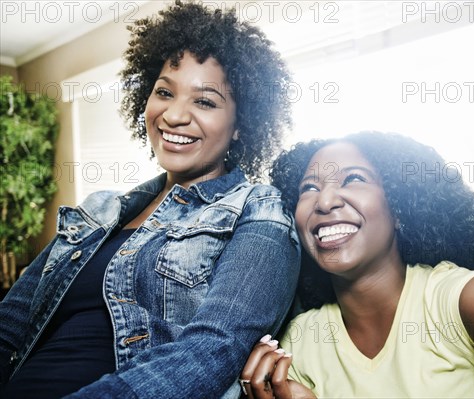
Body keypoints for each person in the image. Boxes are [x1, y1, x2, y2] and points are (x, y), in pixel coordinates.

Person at [0, 1, 300, 398]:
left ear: (242, 125)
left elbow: (212, 350)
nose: (174, 116)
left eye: (205, 101)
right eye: (164, 92)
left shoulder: (259, 210)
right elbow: (10, 324)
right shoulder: (99, 210)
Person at [240, 131, 474, 398]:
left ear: (400, 208)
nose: (326, 200)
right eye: (309, 188)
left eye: (353, 179)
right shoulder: (297, 342)